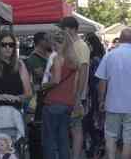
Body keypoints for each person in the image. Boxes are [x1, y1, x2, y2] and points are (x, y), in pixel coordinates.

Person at [95, 29, 131, 159]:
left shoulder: (109, 56)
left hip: (112, 104)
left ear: (120, 39)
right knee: (130, 140)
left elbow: (102, 81)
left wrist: (101, 100)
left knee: (111, 136)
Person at [41, 29, 79, 159]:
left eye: (52, 43)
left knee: (49, 140)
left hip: (53, 103)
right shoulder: (73, 60)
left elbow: (56, 80)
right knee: (63, 139)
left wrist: (43, 86)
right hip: (68, 103)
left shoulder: (58, 58)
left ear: (55, 42)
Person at [59, 16, 90, 159]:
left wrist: (78, 95)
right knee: (69, 128)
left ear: (71, 29)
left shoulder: (81, 46)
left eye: (63, 29)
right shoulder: (68, 46)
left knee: (76, 128)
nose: (62, 32)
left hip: (75, 94)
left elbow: (83, 71)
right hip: (66, 94)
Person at [83, 32, 106, 158]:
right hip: (96, 94)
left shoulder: (94, 60)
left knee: (91, 122)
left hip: (93, 95)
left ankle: (93, 148)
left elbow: (94, 80)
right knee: (96, 122)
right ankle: (97, 146)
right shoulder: (101, 58)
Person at [25, 32, 51, 120]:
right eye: (47, 39)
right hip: (41, 96)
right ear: (41, 42)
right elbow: (42, 75)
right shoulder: (33, 58)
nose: (50, 42)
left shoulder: (49, 55)